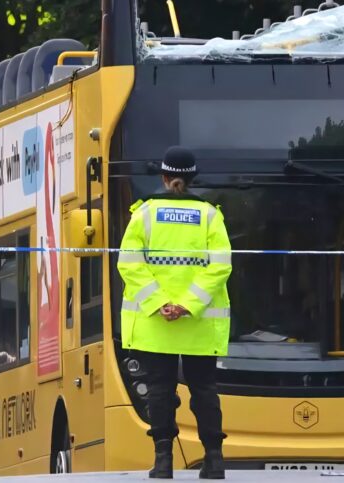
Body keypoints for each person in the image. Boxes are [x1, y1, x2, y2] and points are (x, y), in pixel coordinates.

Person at [117, 146, 233, 480]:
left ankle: (163, 460)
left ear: (164, 177)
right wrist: (188, 305)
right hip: (200, 323)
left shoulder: (144, 214)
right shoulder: (210, 216)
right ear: (192, 178)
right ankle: (214, 460)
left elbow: (129, 264)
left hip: (156, 324)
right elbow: (220, 267)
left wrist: (160, 304)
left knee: (160, 389)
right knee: (204, 389)